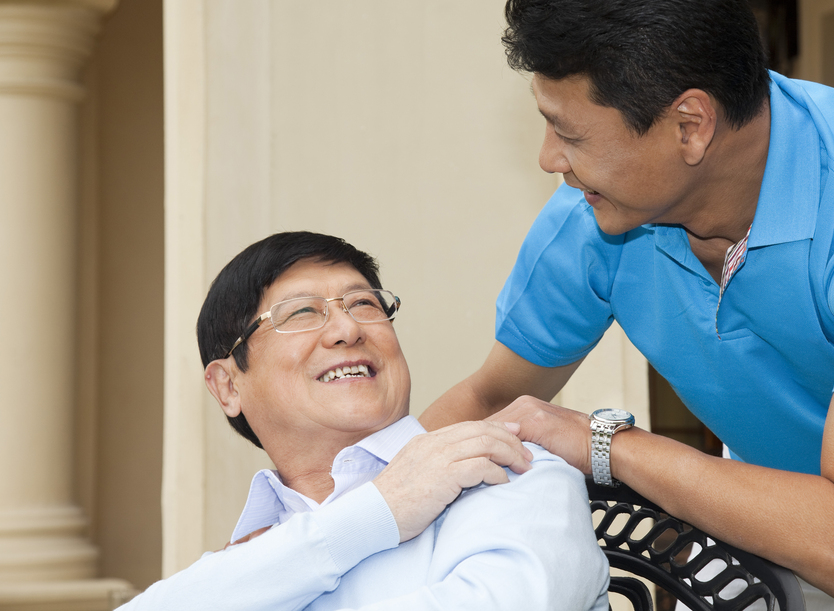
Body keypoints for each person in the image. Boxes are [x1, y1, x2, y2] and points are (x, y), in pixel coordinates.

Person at [419, 0, 834, 609]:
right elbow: (483, 401)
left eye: (572, 133)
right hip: (776, 495)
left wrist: (605, 445)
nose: (549, 159)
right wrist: (330, 519)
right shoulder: (593, 218)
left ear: (690, 125)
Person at [122, 231, 609, 611]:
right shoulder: (255, 548)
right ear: (228, 385)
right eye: (301, 312)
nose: (347, 328)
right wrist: (377, 514)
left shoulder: (505, 468)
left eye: (364, 303)